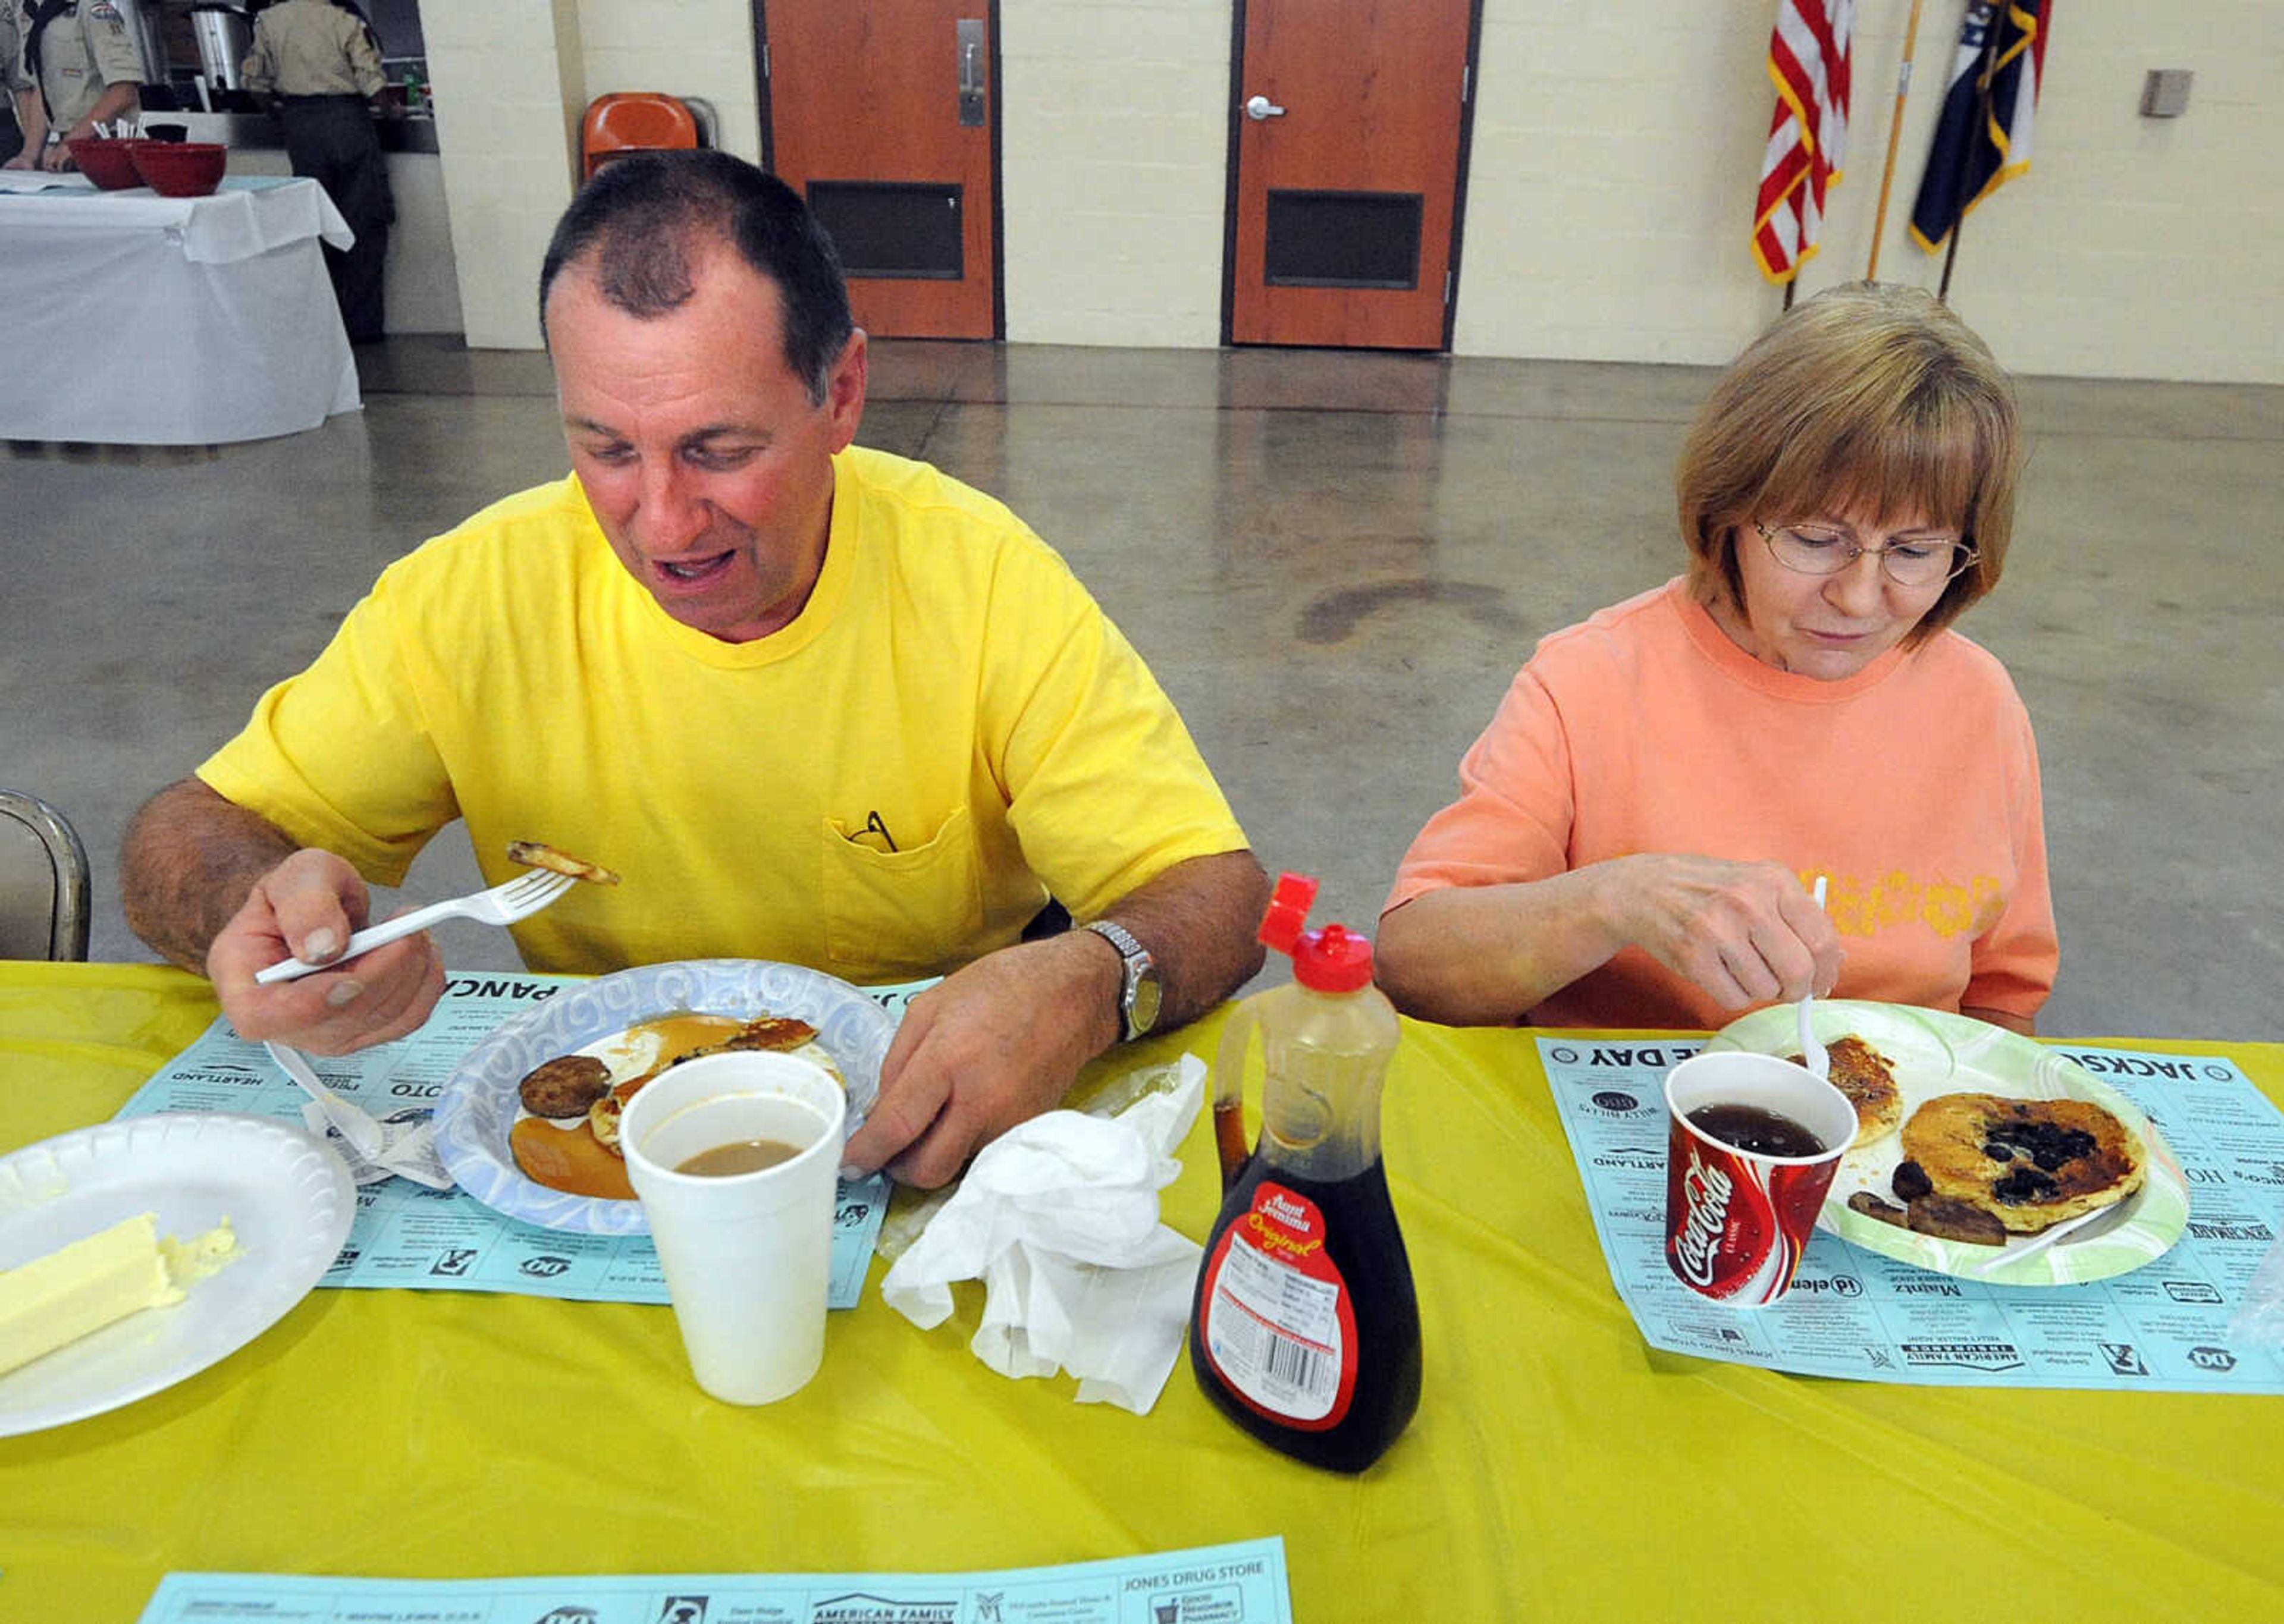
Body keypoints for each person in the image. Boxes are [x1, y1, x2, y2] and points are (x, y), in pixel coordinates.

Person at [121, 150, 1270, 1188]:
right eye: (606, 450)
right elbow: (191, 831)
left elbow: (1212, 892)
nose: (664, 525)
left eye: (721, 450)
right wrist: (252, 912)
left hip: (917, 1140)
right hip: (601, 1143)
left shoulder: (981, 586)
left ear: (843, 396)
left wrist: (1085, 982)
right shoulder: (472, 596)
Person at [1376, 282, 2055, 1035]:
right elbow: (1414, 968)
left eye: (1914, 550)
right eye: (1814, 538)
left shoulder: (1979, 700)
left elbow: (2003, 998)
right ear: (1728, 509)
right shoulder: (1589, 682)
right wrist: (1616, 899)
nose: (1861, 598)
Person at [240, 0, 393, 342]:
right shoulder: (344, 19)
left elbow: (255, 84)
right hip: (348, 120)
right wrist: (388, 110)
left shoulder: (268, 21)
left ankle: (325, 327)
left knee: (316, 225)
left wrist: (283, 116)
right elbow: (373, 83)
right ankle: (363, 327)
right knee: (362, 224)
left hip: (300, 128)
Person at [2, 0, 145, 173]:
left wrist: (72, 142)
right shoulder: (31, 11)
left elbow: (124, 91)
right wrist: (29, 156)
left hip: (110, 144)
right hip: (68, 149)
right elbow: (44, 89)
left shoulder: (91, 9)